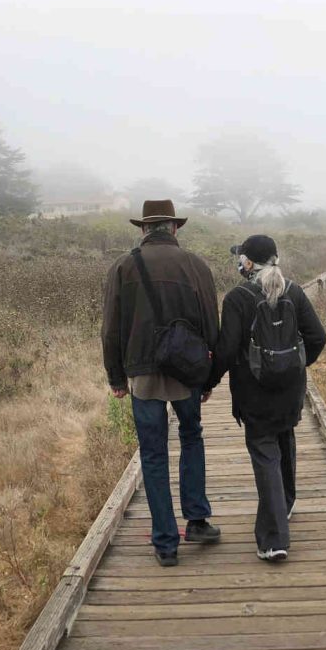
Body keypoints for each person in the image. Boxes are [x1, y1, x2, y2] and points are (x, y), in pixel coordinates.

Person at [102, 200, 222, 567]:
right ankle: (197, 521)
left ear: (143, 230)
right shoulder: (197, 265)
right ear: (174, 228)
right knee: (191, 437)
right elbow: (212, 326)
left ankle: (166, 544)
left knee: (153, 454)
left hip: (142, 373)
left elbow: (110, 329)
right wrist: (208, 378)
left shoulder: (123, 266)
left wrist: (116, 377)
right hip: (186, 371)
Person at [205, 235, 326, 561]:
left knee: (265, 454)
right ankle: (285, 503)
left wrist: (209, 382)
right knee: (284, 438)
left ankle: (273, 540)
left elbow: (227, 351)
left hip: (254, 393)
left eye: (240, 258)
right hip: (290, 391)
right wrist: (296, 367)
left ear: (247, 262)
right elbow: (318, 337)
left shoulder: (237, 298)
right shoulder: (295, 291)